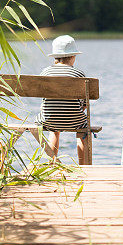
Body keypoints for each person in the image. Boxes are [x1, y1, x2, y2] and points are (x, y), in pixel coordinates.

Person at [36, 35, 90, 164]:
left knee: (54, 130)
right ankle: (83, 166)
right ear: (72, 57)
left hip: (49, 120)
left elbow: (43, 98)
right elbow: (84, 103)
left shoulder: (45, 73)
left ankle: (52, 164)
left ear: (55, 56)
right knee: (82, 129)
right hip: (74, 120)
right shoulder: (78, 74)